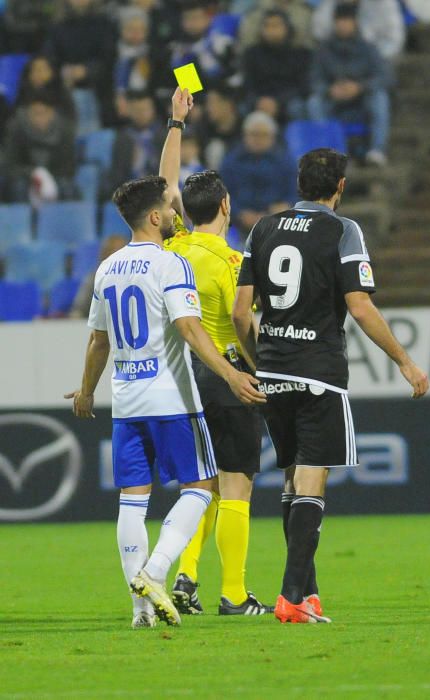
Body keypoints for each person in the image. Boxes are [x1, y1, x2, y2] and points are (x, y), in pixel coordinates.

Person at [232, 147, 430, 624]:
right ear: (340, 186)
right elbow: (359, 305)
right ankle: (292, 597)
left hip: (273, 371)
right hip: (318, 371)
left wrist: (261, 361)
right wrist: (403, 360)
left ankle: (309, 594)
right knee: (312, 481)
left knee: (292, 480)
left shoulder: (262, 228)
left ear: (299, 183)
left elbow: (241, 313)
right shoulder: (343, 230)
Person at [66, 174, 265, 628]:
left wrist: (86, 390)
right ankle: (156, 573)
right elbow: (190, 329)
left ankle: (140, 611)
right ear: (155, 217)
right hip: (172, 397)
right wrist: (232, 373)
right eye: (169, 209)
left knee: (132, 503)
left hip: (127, 400)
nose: (176, 214)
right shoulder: (170, 265)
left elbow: (99, 342)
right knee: (200, 487)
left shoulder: (107, 268)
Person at [157, 88, 274, 616]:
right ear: (226, 206)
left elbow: (162, 188)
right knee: (236, 485)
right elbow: (241, 321)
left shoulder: (174, 243)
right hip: (225, 375)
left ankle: (186, 578)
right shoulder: (233, 260)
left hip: (181, 380)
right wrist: (258, 366)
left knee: (198, 483)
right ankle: (233, 592)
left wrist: (175, 124)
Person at [306, 3, 392, 166]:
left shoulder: (368, 48)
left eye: (347, 21)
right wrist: (329, 90)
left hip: (362, 98)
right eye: (340, 21)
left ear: (355, 22)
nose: (343, 25)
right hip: (333, 98)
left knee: (380, 98)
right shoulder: (323, 50)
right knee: (314, 103)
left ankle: (378, 150)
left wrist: (360, 87)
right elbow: (314, 80)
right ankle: (328, 153)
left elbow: (384, 77)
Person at [219, 111, 297, 231]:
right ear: (245, 135)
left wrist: (286, 206)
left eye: (264, 135)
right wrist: (239, 213)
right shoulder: (231, 162)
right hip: (237, 224)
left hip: (277, 224)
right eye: (254, 134)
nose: (258, 139)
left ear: (273, 137)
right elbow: (222, 194)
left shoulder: (286, 162)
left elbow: (294, 193)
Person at [69, 234, 129, 318]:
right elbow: (78, 310)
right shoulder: (94, 279)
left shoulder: (136, 280)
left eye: (117, 253)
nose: (112, 257)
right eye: (108, 252)